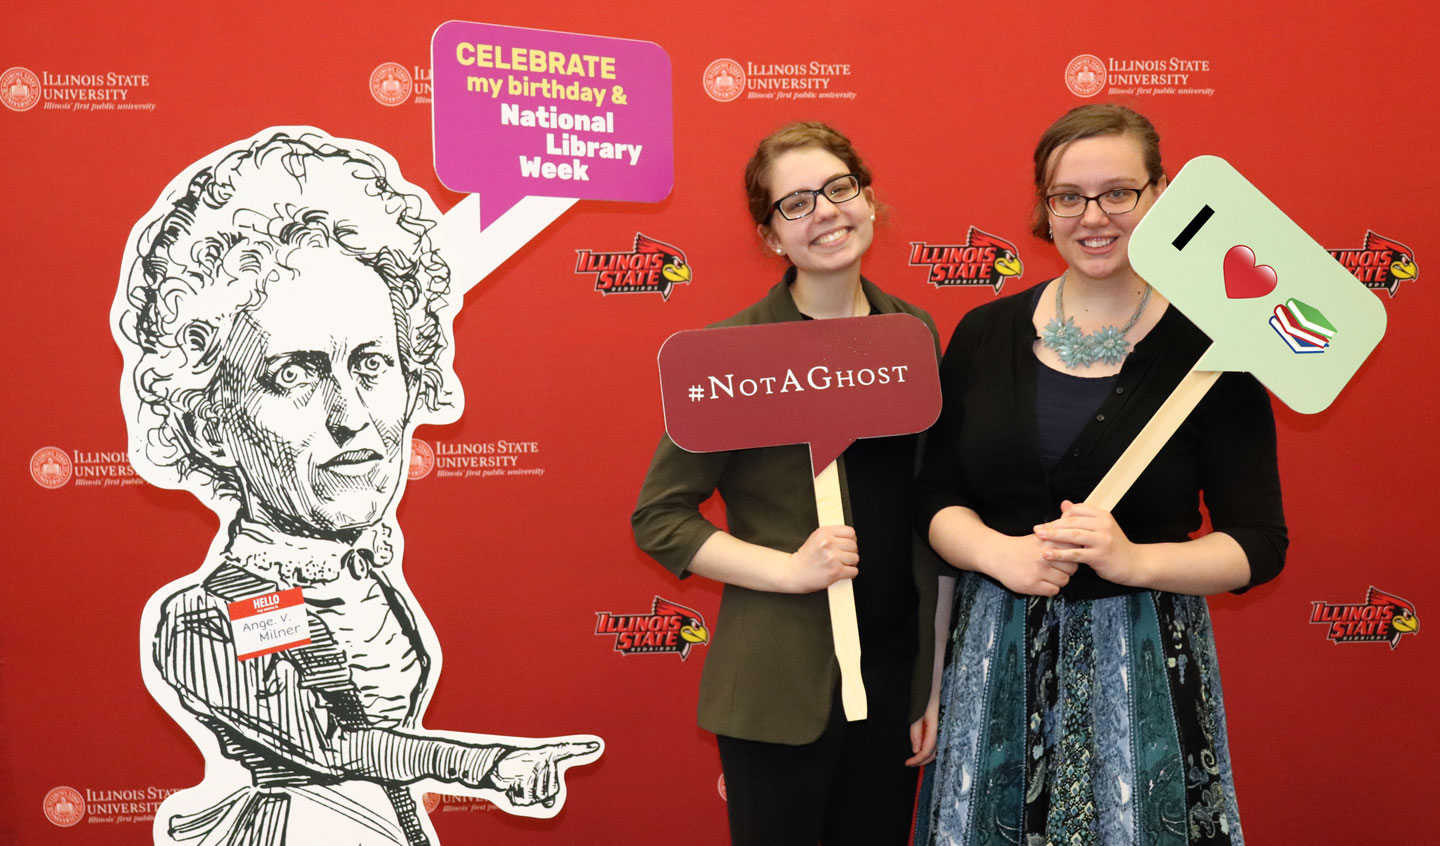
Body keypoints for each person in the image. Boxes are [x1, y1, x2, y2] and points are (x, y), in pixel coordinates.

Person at [117, 131, 599, 846]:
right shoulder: (205, 617)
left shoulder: (362, 571)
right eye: (294, 374)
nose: (352, 419)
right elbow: (336, 743)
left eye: (373, 365)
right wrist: (490, 765)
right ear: (211, 423)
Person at [914, 105, 1287, 846]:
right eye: (1069, 196)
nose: (1095, 216)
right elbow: (937, 496)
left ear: (1162, 197)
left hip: (1142, 659)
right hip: (993, 658)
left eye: (1119, 192)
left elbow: (1259, 542)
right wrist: (998, 553)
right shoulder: (983, 334)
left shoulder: (1215, 351)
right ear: (1044, 208)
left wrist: (1134, 559)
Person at [631, 122, 941, 846]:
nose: (826, 212)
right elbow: (660, 517)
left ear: (867, 199)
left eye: (839, 188)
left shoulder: (914, 333)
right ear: (771, 236)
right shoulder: (729, 356)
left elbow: (926, 513)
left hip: (892, 680)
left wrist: (930, 682)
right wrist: (790, 570)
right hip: (778, 690)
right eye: (795, 203)